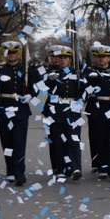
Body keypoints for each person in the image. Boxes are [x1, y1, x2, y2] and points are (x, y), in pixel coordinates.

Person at [0, 40, 32, 186]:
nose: (11, 55)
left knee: (19, 142)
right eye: (8, 52)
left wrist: (31, 95)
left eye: (14, 52)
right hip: (4, 107)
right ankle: (10, 171)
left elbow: (35, 84)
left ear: (18, 53)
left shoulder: (25, 68)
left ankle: (20, 172)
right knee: (7, 141)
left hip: (20, 108)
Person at [82, 43, 110, 183]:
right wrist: (89, 78)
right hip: (97, 108)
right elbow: (83, 85)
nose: (101, 59)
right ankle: (102, 167)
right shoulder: (89, 71)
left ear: (109, 58)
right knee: (99, 139)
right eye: (98, 56)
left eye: (104, 56)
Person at [41, 45, 84, 180]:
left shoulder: (77, 73)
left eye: (65, 57)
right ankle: (60, 167)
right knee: (58, 141)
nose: (62, 60)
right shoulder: (50, 73)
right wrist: (48, 79)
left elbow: (84, 90)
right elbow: (41, 88)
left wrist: (81, 102)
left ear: (70, 59)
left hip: (72, 109)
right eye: (60, 57)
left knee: (73, 139)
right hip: (56, 109)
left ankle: (76, 167)